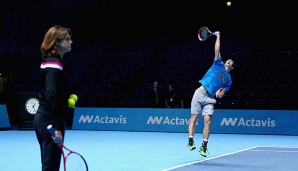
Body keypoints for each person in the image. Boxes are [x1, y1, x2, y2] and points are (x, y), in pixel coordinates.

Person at [187, 31, 235, 157]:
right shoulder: (217, 64)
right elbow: (217, 49)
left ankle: (204, 146)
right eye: (228, 61)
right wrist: (218, 35)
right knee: (194, 118)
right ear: (225, 62)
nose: (229, 62)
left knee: (208, 121)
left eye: (231, 63)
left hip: (209, 98)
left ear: (232, 67)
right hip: (200, 93)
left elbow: (223, 92)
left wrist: (220, 94)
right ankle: (191, 141)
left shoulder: (229, 80)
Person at [33, 25, 73, 171]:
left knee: (49, 166)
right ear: (56, 42)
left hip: (45, 119)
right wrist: (53, 128)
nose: (71, 42)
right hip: (49, 121)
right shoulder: (53, 65)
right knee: (50, 167)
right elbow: (51, 96)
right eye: (67, 39)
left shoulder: (50, 62)